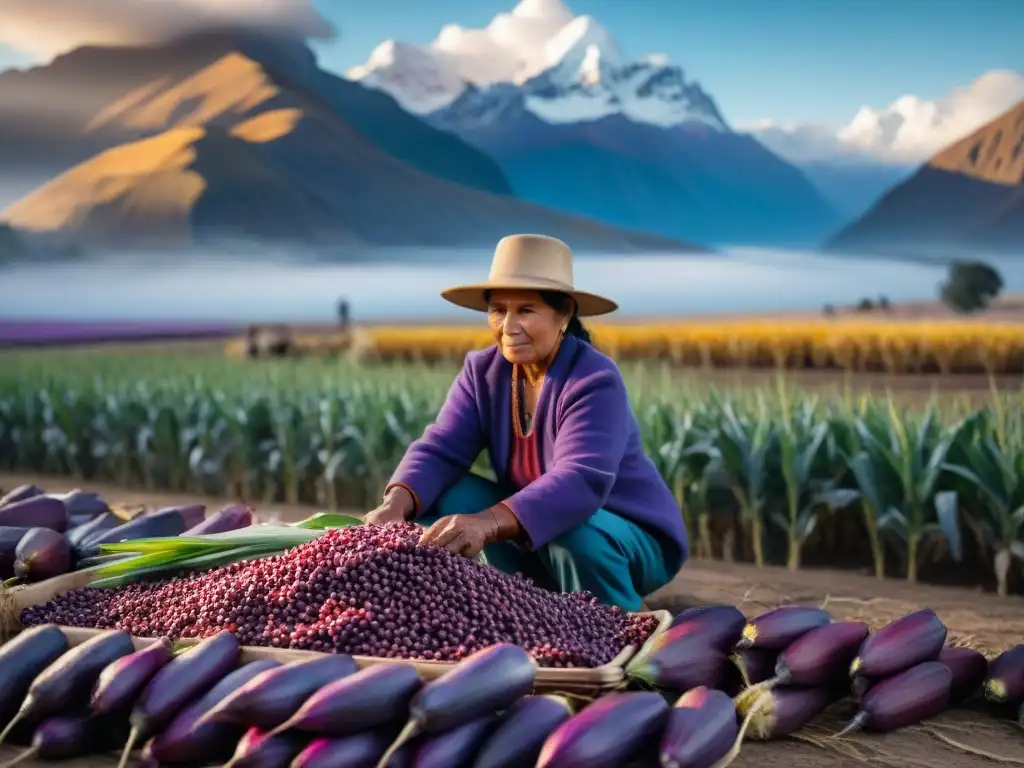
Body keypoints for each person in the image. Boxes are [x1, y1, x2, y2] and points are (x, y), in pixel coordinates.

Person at [365, 234, 688, 611]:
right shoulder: (482, 371)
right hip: (538, 531)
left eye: (526, 310)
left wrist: (486, 523)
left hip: (625, 534)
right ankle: (512, 601)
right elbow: (441, 448)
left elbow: (581, 480)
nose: (508, 326)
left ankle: (612, 619)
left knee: (575, 534)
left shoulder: (593, 379)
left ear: (563, 313)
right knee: (440, 493)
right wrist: (395, 503)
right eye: (498, 310)